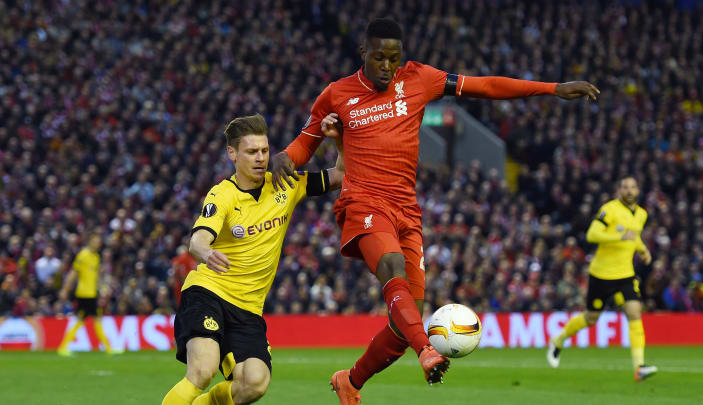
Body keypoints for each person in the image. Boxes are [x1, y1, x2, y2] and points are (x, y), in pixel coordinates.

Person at [271, 18, 600, 404]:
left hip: (406, 211)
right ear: (364, 53)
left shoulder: (419, 79)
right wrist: (282, 157)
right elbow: (302, 146)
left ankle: (352, 381)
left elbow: (485, 85)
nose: (387, 66)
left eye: (394, 58)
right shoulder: (336, 94)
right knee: (392, 272)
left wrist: (552, 88)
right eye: (379, 57)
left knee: (403, 320)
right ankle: (426, 350)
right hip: (362, 202)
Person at [161, 113, 344, 405]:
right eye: (251, 152)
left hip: (248, 309)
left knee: (254, 383)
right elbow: (197, 241)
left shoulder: (286, 184)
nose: (260, 158)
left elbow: (341, 175)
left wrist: (340, 140)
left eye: (264, 151)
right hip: (209, 293)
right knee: (202, 370)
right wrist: (207, 252)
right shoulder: (222, 195)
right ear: (232, 154)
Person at [547, 177, 657, 381]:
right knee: (591, 318)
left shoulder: (641, 214)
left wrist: (642, 249)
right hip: (602, 274)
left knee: (634, 312)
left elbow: (634, 236)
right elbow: (592, 234)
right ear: (619, 190)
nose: (629, 191)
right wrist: (619, 237)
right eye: (625, 187)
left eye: (633, 187)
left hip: (625, 274)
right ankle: (559, 340)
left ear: (638, 191)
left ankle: (639, 367)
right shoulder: (610, 209)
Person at [57, 233, 119, 356]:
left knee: (90, 320)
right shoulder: (83, 255)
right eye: (95, 241)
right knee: (88, 320)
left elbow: (96, 277)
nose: (97, 244)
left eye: (98, 242)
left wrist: (102, 287)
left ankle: (64, 347)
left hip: (92, 293)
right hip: (83, 294)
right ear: (90, 241)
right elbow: (74, 273)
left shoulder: (96, 257)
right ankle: (107, 348)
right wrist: (65, 289)